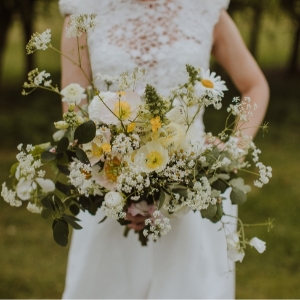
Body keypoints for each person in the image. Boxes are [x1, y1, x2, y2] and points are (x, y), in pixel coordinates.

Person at [59, 0, 269, 298]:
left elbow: (255, 85)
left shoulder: (204, 8)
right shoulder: (83, 8)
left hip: (193, 193)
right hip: (111, 193)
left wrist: (234, 149)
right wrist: (116, 182)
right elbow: (74, 103)